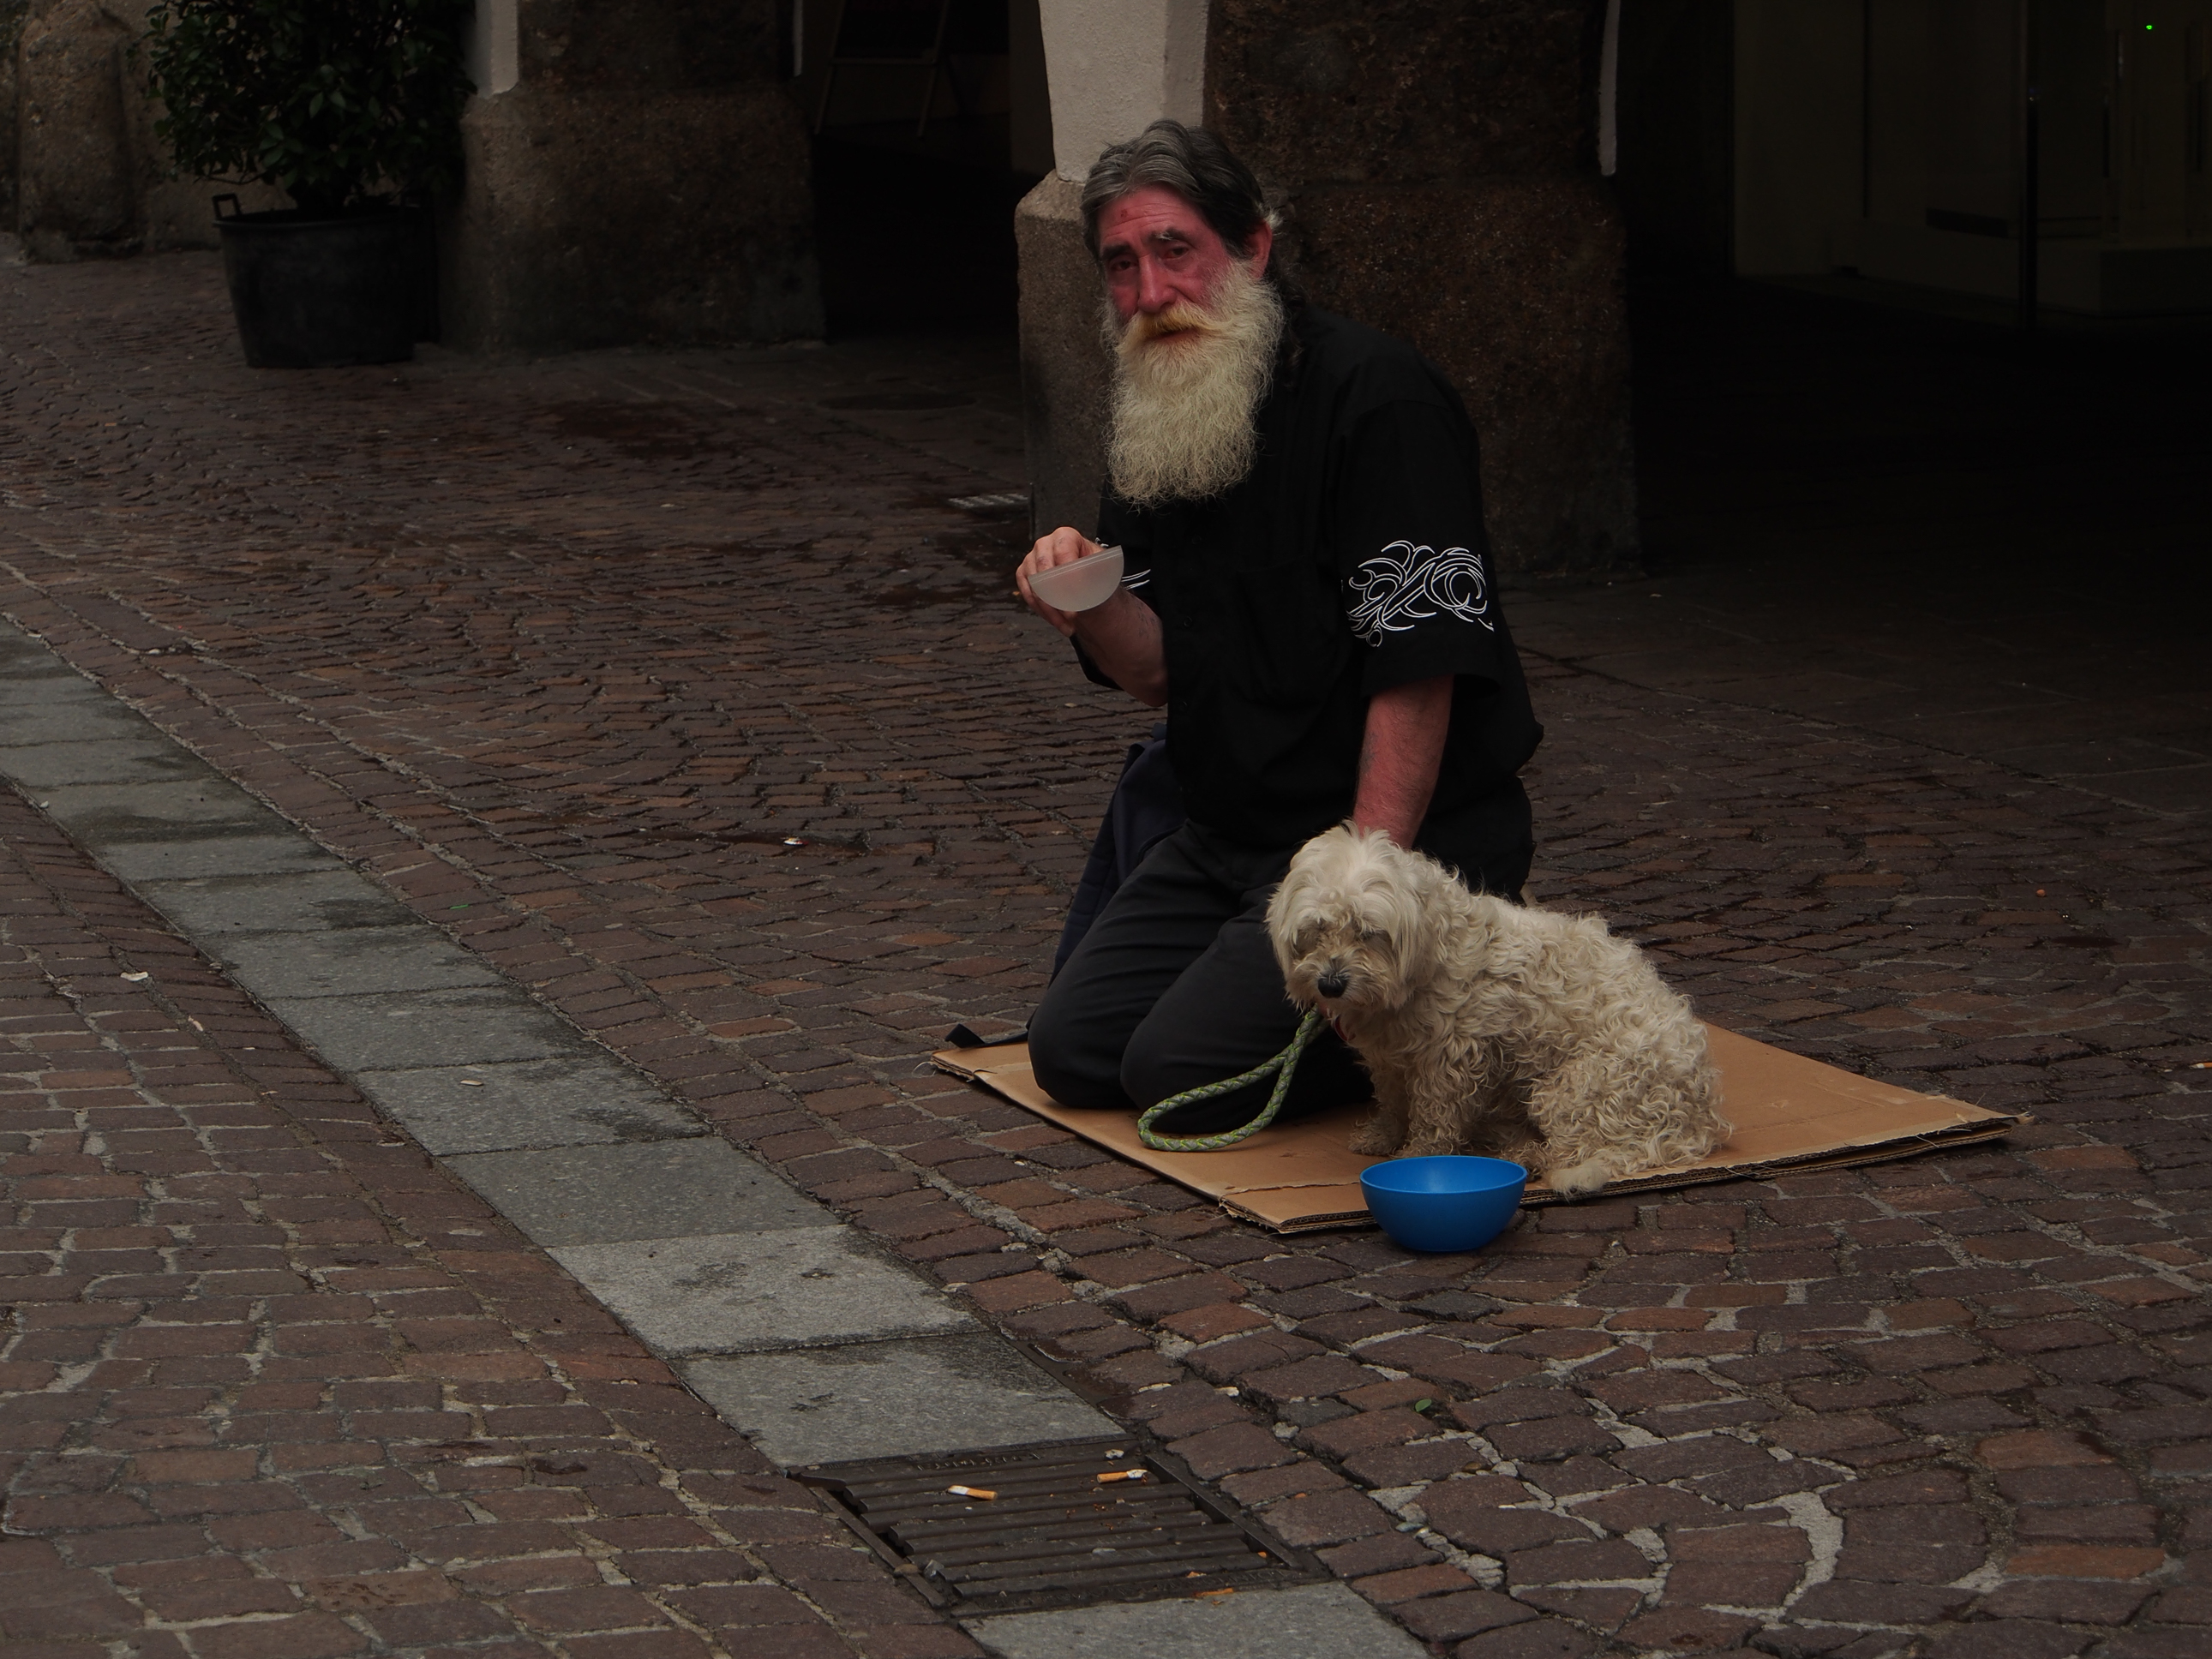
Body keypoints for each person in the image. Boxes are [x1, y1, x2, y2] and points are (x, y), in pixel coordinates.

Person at [1019, 120, 1543, 1136]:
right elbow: (1163, 675)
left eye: (1176, 250)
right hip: (1232, 840)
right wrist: (1082, 600)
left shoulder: (1378, 397)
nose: (1151, 293)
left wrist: (1361, 910)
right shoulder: (1159, 406)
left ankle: (1451, 1016)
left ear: (1252, 247)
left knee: (1170, 1070)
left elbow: (1419, 669)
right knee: (1072, 1050)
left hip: (1394, 851)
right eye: (1121, 265)